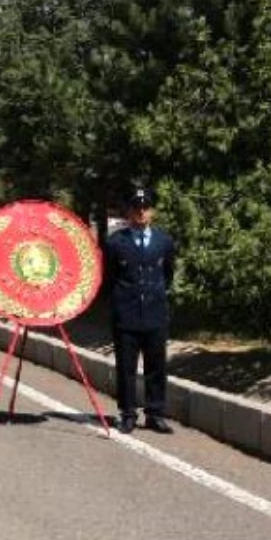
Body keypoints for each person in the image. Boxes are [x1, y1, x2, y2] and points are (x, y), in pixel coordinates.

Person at [104, 185, 177, 434]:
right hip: (126, 315)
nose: (141, 213)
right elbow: (110, 278)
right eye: (136, 208)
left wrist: (155, 297)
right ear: (129, 212)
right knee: (126, 368)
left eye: (145, 208)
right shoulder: (116, 243)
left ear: (152, 212)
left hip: (155, 314)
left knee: (156, 367)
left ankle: (155, 414)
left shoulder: (163, 241)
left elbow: (167, 274)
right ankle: (127, 413)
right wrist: (119, 305)